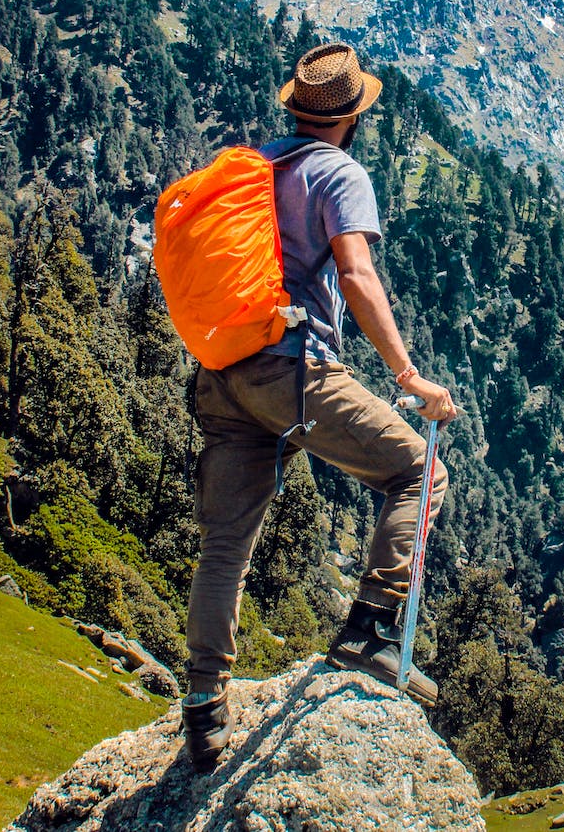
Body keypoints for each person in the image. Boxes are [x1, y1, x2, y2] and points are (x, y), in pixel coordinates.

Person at [181, 41, 458, 771]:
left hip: (224, 373)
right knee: (417, 474)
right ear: (352, 117)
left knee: (224, 547)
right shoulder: (339, 171)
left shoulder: (260, 166)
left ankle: (204, 709)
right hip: (292, 369)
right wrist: (409, 375)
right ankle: (370, 632)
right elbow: (357, 274)